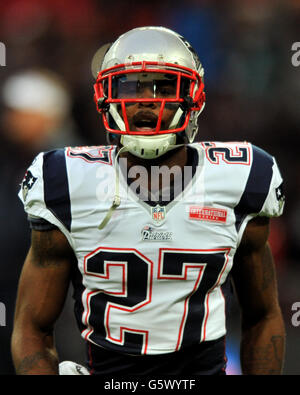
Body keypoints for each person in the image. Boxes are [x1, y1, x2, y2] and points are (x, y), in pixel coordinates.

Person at [11, 26, 285, 375]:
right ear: (104, 95)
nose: (146, 99)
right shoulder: (65, 181)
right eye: (131, 85)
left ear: (193, 95)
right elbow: (32, 326)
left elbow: (263, 315)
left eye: (163, 86)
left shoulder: (241, 179)